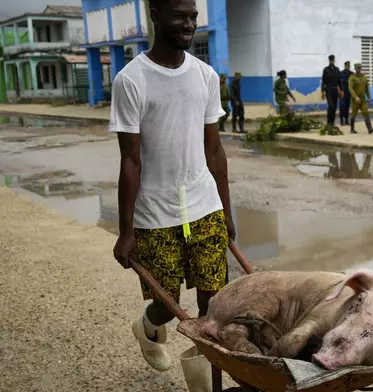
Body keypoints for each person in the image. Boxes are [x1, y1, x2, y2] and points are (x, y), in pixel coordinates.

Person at [109, 0, 236, 373]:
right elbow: (130, 162)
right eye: (180, 15)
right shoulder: (131, 80)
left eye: (193, 16)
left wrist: (226, 213)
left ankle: (204, 383)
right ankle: (147, 326)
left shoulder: (206, 76)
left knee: (212, 308)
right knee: (167, 304)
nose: (189, 24)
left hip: (204, 206)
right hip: (156, 213)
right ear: (156, 15)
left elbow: (215, 152)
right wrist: (125, 231)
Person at [348, 63, 373, 134]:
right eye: (357, 68)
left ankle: (370, 129)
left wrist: (369, 97)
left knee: (366, 112)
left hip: (363, 99)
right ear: (355, 69)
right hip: (355, 100)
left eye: (360, 68)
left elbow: (366, 88)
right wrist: (355, 97)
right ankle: (352, 129)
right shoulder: (352, 77)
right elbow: (350, 88)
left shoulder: (364, 77)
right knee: (353, 114)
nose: (359, 69)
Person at [321, 54, 343, 127]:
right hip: (328, 89)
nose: (332, 61)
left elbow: (339, 81)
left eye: (333, 60)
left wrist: (341, 90)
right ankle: (329, 122)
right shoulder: (326, 70)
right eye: (331, 60)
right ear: (329, 60)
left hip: (335, 90)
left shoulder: (337, 69)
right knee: (331, 105)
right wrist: (322, 92)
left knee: (335, 107)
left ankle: (332, 123)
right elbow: (323, 81)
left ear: (334, 60)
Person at [339, 61, 353, 126]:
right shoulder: (341, 73)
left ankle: (346, 119)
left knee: (347, 106)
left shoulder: (352, 74)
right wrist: (339, 91)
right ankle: (341, 120)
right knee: (342, 106)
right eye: (347, 66)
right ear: (345, 66)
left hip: (348, 92)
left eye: (349, 66)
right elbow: (338, 83)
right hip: (342, 91)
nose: (348, 67)